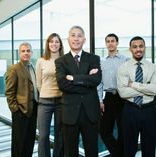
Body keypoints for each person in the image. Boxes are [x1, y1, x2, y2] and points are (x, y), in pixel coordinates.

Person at [55, 25, 102, 157]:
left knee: (92, 151)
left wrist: (73, 78)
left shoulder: (94, 58)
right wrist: (87, 79)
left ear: (84, 39)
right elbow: (62, 84)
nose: (76, 39)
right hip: (70, 113)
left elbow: (96, 80)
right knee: (70, 152)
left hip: (90, 113)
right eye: (73, 35)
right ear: (68, 39)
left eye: (79, 36)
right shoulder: (61, 61)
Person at [117, 36, 156, 157]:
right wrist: (147, 87)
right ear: (130, 49)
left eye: (141, 46)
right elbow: (122, 92)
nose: (138, 49)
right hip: (130, 110)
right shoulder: (123, 68)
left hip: (149, 111)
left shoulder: (154, 67)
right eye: (135, 46)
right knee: (129, 147)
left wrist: (133, 85)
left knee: (149, 147)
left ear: (144, 48)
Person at [5, 42, 38, 157]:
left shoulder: (32, 67)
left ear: (32, 53)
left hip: (33, 110)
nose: (26, 53)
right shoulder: (14, 69)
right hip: (20, 111)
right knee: (19, 143)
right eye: (23, 51)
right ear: (19, 53)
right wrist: (15, 109)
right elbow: (9, 92)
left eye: (28, 51)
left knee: (30, 141)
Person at [98, 33, 128, 157]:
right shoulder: (102, 61)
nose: (110, 43)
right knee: (104, 130)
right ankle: (119, 154)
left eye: (112, 41)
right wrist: (100, 100)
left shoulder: (125, 60)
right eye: (108, 41)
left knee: (123, 131)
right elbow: (99, 83)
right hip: (109, 98)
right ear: (106, 44)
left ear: (117, 43)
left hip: (123, 97)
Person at [36, 33, 64, 157]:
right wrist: (45, 93)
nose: (54, 44)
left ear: (60, 44)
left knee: (59, 134)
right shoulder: (41, 60)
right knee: (43, 135)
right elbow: (38, 83)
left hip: (61, 101)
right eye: (51, 41)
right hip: (44, 102)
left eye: (57, 41)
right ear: (48, 44)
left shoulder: (65, 60)